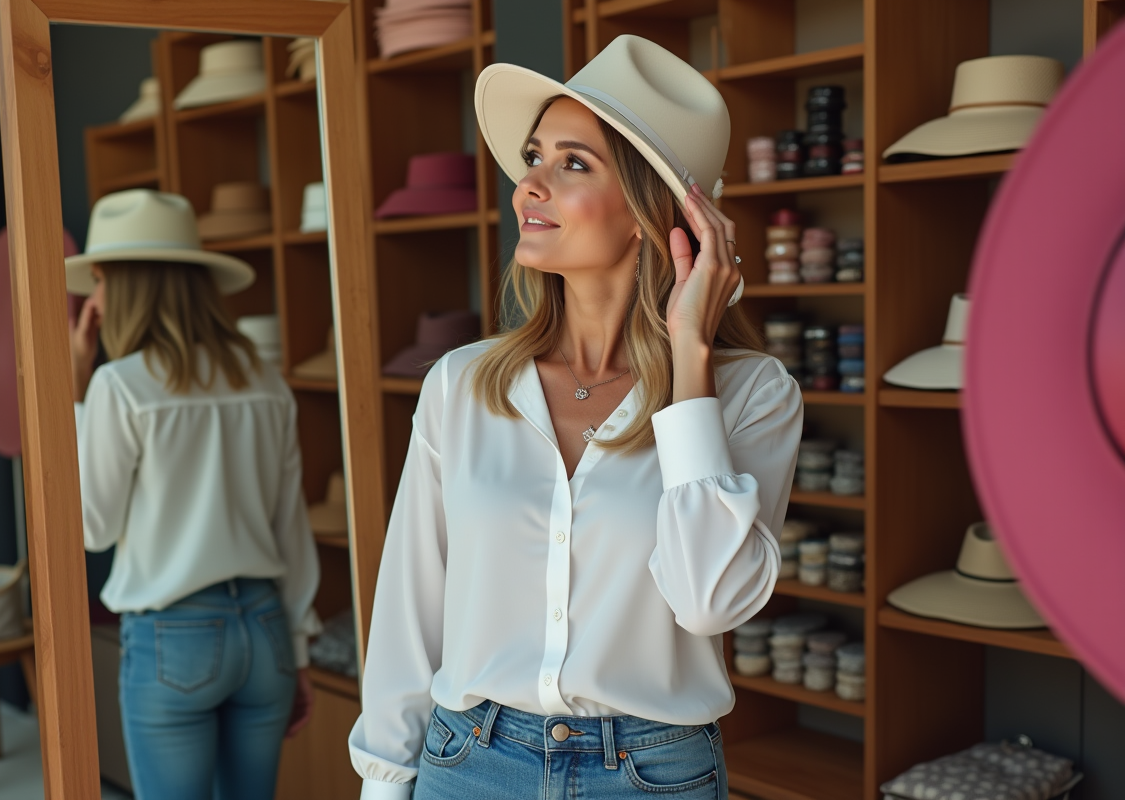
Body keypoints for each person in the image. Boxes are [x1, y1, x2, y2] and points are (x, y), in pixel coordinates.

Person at [349, 35, 803, 800]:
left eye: (573, 163)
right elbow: (410, 606)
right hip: (468, 763)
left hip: (654, 775)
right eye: (534, 157)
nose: (529, 185)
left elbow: (709, 603)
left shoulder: (752, 395)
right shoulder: (462, 385)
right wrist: (385, 783)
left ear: (650, 213)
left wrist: (690, 357)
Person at [67, 189, 323, 800]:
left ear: (127, 288)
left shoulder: (118, 386)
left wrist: (75, 399)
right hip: (265, 630)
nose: (93, 301)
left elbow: (88, 527)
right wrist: (299, 651)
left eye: (100, 281)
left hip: (173, 638)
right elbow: (293, 526)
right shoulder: (263, 378)